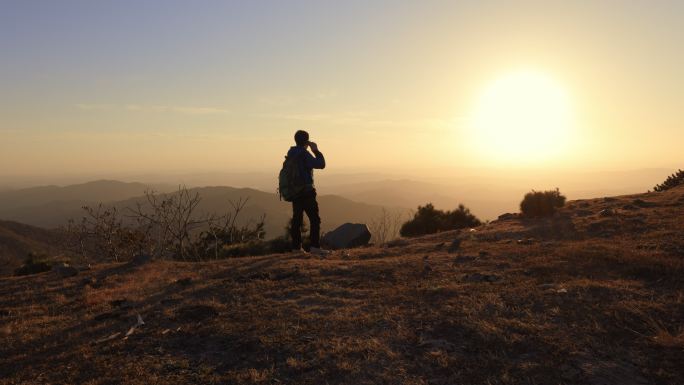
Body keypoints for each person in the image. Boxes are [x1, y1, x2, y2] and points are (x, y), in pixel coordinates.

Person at [287, 130, 330, 256]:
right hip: (306, 191)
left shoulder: (291, 152)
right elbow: (321, 164)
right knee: (315, 219)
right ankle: (315, 247)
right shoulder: (304, 154)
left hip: (294, 192)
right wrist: (315, 150)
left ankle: (296, 248)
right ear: (306, 141)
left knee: (297, 219)